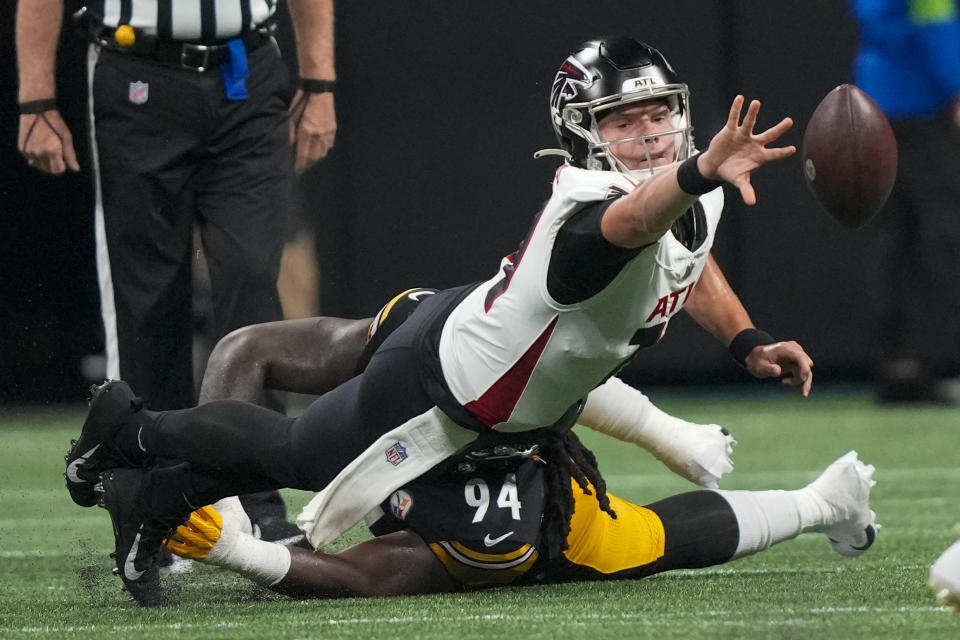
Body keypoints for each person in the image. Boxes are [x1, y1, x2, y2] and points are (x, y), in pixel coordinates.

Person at [64, 36, 814, 603]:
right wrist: (696, 172)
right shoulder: (592, 207)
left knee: (298, 452)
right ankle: (129, 429)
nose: (650, 135)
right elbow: (638, 224)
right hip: (449, 380)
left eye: (660, 115)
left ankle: (153, 496)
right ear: (586, 131)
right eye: (624, 121)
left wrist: (747, 340)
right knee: (297, 454)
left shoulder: (692, 187)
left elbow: (690, 260)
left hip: (494, 383)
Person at [155, 289, 875, 601]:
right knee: (659, 539)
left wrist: (237, 551)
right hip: (455, 460)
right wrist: (253, 515)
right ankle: (823, 502)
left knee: (654, 539)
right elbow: (247, 350)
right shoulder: (415, 335)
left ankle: (822, 501)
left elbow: (363, 578)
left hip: (528, 512)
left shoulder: (485, 505)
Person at [18, 0, 336, 536]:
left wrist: (320, 84)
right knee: (149, 298)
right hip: (137, 75)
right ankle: (157, 495)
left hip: (247, 72)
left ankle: (257, 494)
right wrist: (35, 100)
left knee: (252, 277)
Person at [850, 0, 960, 403]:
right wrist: (958, 83)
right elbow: (936, 19)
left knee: (894, 238)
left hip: (878, 99)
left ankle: (900, 365)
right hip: (921, 103)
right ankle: (942, 362)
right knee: (942, 234)